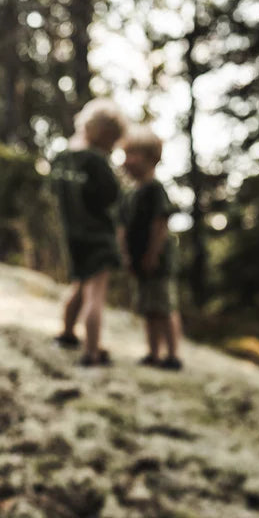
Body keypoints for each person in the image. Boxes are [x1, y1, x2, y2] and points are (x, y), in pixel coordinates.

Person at [50, 98, 127, 367]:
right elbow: (113, 195)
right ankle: (92, 352)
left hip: (73, 236)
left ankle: (67, 333)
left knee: (78, 285)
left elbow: (54, 191)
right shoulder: (96, 162)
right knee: (95, 294)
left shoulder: (61, 159)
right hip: (98, 237)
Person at [118, 125, 183, 371]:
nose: (127, 160)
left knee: (164, 307)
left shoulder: (155, 190)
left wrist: (153, 255)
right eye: (125, 154)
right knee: (147, 308)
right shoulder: (129, 194)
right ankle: (153, 353)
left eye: (132, 154)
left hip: (158, 261)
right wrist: (126, 256)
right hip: (138, 261)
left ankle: (173, 355)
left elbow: (160, 224)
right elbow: (122, 228)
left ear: (151, 158)